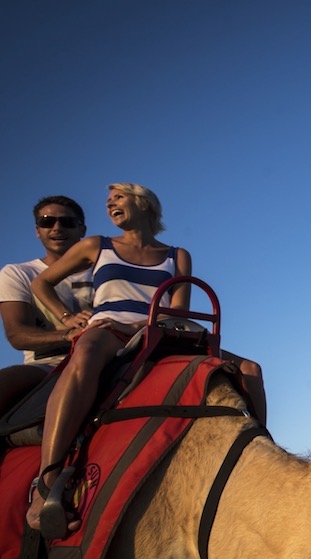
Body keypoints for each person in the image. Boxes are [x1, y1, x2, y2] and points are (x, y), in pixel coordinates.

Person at [25, 183, 191, 535]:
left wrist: (139, 325)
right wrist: (68, 319)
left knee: (248, 369)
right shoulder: (97, 245)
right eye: (108, 200)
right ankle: (46, 483)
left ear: (143, 203)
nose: (110, 204)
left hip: (156, 331)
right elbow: (41, 283)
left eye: (118, 197)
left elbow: (178, 310)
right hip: (108, 328)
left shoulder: (177, 255)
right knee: (86, 352)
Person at [0, 196, 92, 416]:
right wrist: (68, 335)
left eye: (67, 222)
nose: (57, 228)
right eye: (47, 222)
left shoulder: (106, 270)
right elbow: (17, 335)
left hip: (110, 355)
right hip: (48, 364)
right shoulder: (18, 273)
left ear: (82, 230)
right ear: (37, 230)